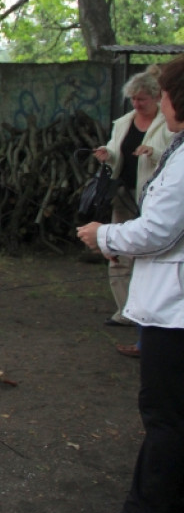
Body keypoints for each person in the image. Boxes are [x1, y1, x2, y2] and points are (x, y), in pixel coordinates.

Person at [77, 54, 184, 513]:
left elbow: (159, 230)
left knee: (164, 415)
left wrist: (104, 235)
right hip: (172, 304)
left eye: (163, 95)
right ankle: (174, 497)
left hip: (175, 311)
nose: (159, 104)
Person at [93, 69, 171, 330]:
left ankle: (145, 310)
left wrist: (153, 152)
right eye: (133, 99)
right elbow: (116, 150)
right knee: (118, 249)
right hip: (123, 193)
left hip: (152, 196)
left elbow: (174, 155)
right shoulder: (124, 122)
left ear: (156, 97)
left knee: (148, 250)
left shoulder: (167, 123)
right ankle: (123, 310)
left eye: (142, 99)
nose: (136, 104)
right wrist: (108, 153)